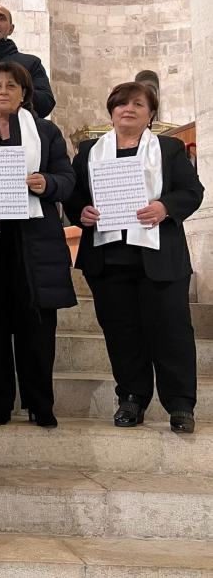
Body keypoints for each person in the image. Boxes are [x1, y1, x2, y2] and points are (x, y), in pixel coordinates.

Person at [64, 81, 204, 434]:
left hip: (160, 257)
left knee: (171, 332)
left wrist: (164, 206)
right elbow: (74, 197)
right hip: (109, 260)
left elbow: (192, 191)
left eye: (138, 104)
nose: (129, 109)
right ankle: (131, 398)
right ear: (111, 111)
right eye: (121, 104)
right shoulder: (89, 151)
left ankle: (181, 405)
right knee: (122, 333)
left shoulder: (170, 149)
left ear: (150, 113)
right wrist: (83, 212)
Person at [0, 61, 76, 427]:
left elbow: (67, 177)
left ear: (24, 93)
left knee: (37, 331)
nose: (4, 92)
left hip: (35, 243)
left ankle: (41, 403)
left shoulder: (45, 131)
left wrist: (48, 184)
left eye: (12, 86)